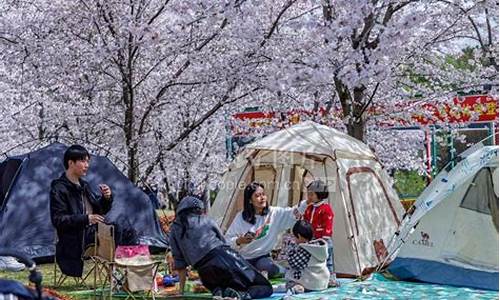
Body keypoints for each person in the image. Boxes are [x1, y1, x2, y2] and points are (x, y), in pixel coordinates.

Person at [169, 196, 272, 300]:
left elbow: (179, 261)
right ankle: (241, 296)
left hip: (204, 271)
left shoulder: (175, 228)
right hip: (223, 258)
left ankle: (220, 291)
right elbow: (222, 241)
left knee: (223, 288)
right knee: (265, 287)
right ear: (198, 209)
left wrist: (181, 291)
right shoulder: (205, 220)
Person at [49, 145, 113, 277]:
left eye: (88, 161)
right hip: (75, 239)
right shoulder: (59, 189)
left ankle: (131, 271)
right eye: (83, 161)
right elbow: (58, 219)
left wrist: (106, 198)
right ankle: (121, 274)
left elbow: (99, 211)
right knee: (117, 231)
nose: (87, 165)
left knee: (125, 229)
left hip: (92, 233)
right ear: (71, 163)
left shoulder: (84, 186)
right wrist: (86, 218)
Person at [225, 182, 306, 278]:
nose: (262, 198)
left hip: (262, 257)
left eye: (263, 194)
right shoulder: (240, 217)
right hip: (244, 258)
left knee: (267, 267)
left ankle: (278, 270)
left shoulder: (274, 213)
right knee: (232, 271)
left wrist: (306, 203)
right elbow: (227, 240)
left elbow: (291, 213)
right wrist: (239, 241)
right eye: (257, 196)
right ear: (250, 200)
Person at [302, 180, 337, 286]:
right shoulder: (309, 208)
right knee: (314, 261)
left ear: (320, 194)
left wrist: (325, 237)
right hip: (312, 240)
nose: (309, 197)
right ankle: (314, 278)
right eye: (308, 194)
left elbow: (328, 223)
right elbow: (306, 221)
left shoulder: (326, 208)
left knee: (328, 260)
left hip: (323, 240)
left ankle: (331, 278)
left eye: (311, 194)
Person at [285, 220, 329, 294]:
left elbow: (293, 263)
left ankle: (298, 288)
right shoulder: (318, 246)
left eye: (294, 237)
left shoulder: (305, 249)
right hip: (322, 282)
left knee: (289, 283)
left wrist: (288, 250)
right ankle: (329, 282)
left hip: (311, 283)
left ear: (298, 236)